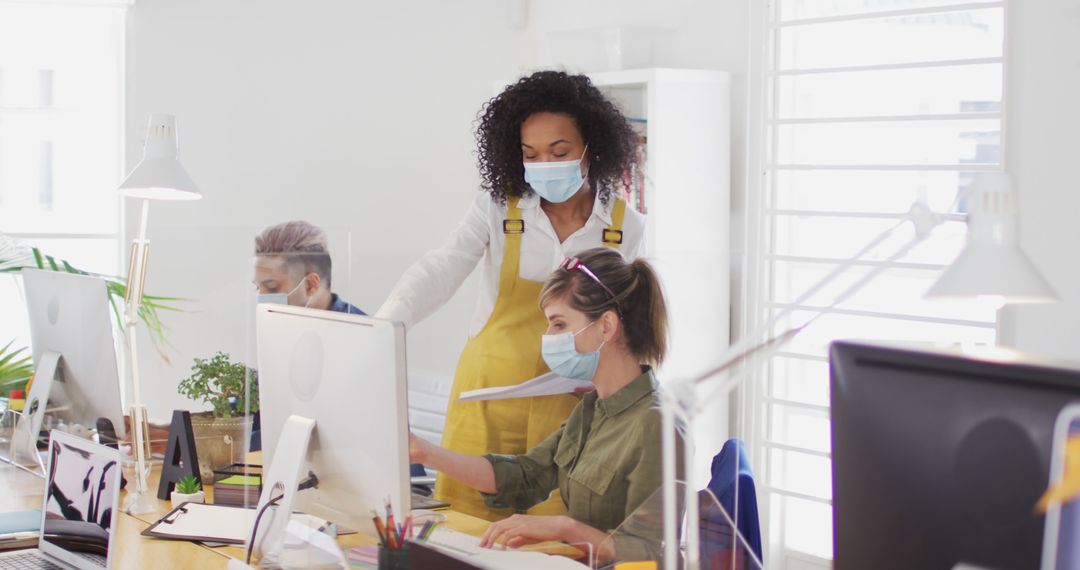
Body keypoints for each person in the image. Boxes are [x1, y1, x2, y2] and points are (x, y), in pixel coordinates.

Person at [377, 71, 646, 520]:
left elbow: (632, 320)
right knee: (467, 528)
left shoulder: (625, 225)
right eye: (531, 154)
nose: (545, 164)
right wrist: (386, 324)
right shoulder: (498, 206)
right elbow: (443, 267)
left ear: (591, 147)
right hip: (486, 398)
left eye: (559, 152)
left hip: (570, 409)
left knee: (553, 537)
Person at [409, 248, 679, 562]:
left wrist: (564, 528)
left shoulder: (656, 425)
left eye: (559, 324)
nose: (547, 336)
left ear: (606, 326)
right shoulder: (591, 410)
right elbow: (524, 476)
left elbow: (650, 552)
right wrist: (424, 451)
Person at [254, 220, 364, 315]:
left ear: (311, 285)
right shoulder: (278, 328)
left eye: (272, 287)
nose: (261, 299)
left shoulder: (361, 334)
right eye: (258, 287)